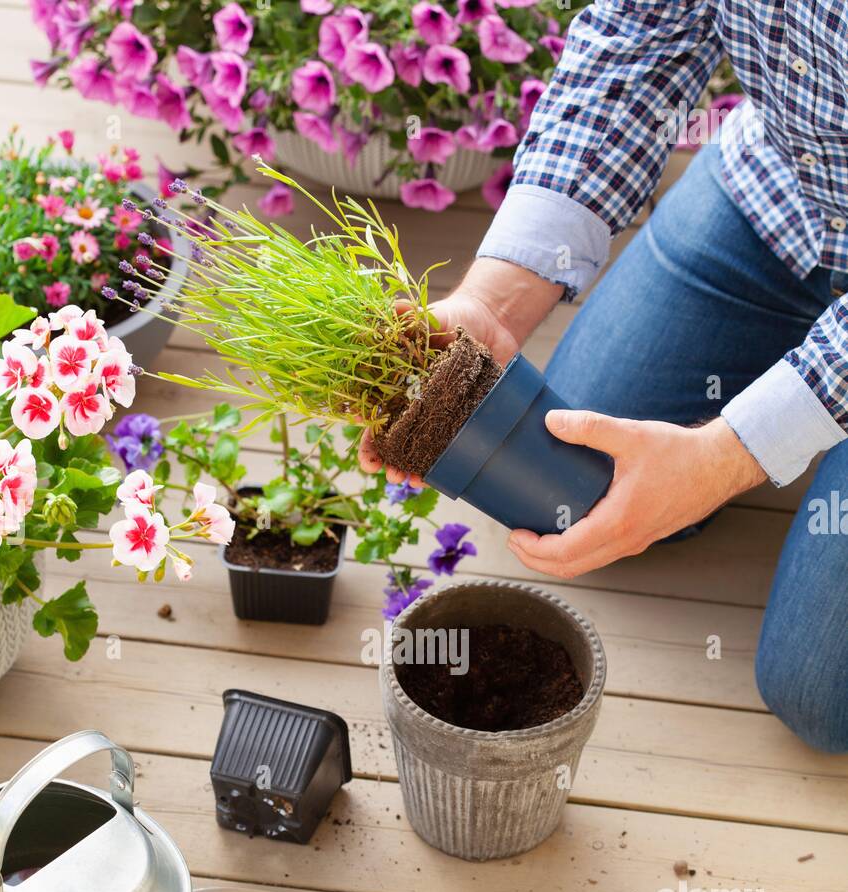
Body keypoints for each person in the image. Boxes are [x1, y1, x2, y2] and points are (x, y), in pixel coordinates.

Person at [361, 1, 848, 753]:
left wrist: (727, 456)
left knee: (819, 698)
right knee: (581, 478)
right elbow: (638, 31)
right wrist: (494, 300)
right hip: (789, 188)